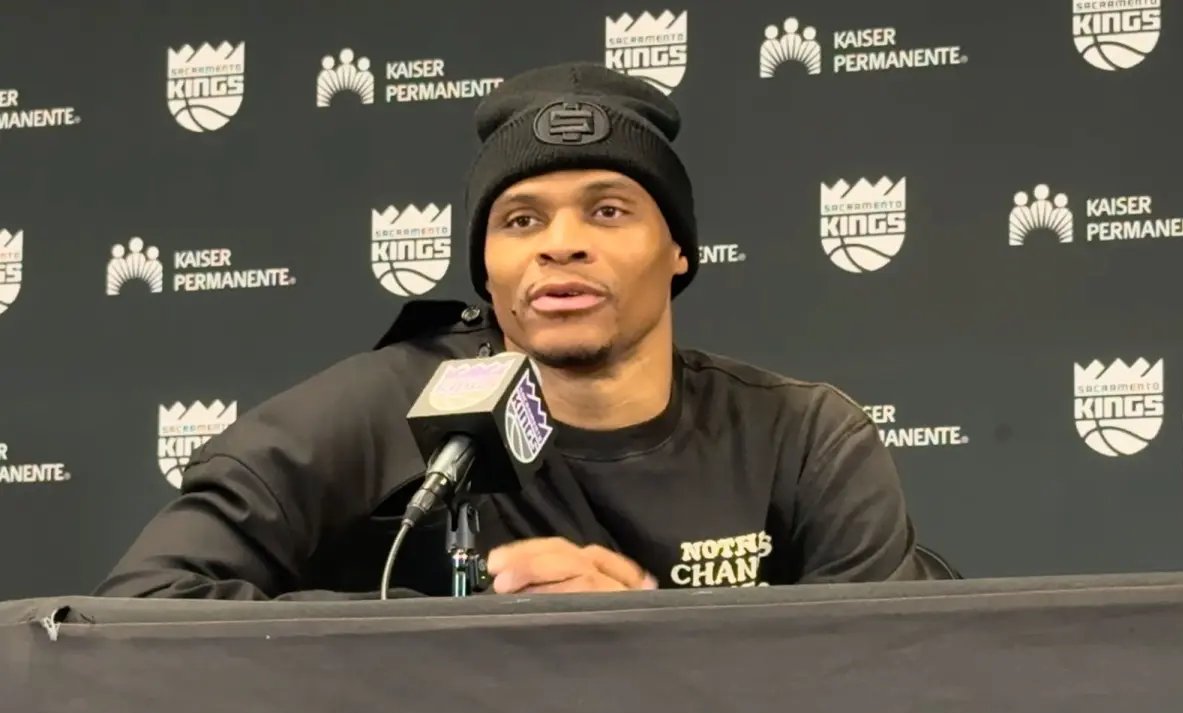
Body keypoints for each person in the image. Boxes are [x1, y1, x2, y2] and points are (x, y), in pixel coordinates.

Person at [95, 61, 930, 601]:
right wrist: (465, 638)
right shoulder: (382, 408)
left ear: (678, 250)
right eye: (520, 219)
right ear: (486, 270)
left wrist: (657, 636)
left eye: (609, 210)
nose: (560, 244)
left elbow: (892, 679)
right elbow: (145, 603)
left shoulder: (804, 438)